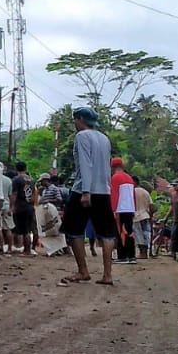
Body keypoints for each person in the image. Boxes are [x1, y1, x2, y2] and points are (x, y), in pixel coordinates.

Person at [59, 106, 118, 286]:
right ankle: (107, 274)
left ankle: (83, 271)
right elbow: (106, 167)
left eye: (75, 120)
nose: (74, 123)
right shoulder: (104, 138)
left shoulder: (82, 136)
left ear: (81, 120)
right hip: (103, 189)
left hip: (83, 189)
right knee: (107, 233)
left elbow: (85, 164)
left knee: (74, 230)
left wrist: (85, 192)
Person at [111, 157, 137, 265]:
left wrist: (113, 208)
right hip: (130, 209)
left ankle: (122, 256)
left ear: (112, 167)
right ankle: (132, 256)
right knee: (129, 232)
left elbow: (114, 194)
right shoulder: (129, 178)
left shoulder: (115, 177)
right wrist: (134, 208)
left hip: (120, 209)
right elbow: (133, 194)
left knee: (121, 232)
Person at [10, 162, 36, 255]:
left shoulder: (16, 180)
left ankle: (27, 250)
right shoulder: (31, 179)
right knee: (28, 230)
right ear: (26, 168)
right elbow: (33, 194)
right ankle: (27, 249)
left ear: (16, 169)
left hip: (20, 206)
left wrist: (12, 206)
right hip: (29, 206)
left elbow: (14, 194)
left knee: (23, 230)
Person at [132, 176, 155, 259]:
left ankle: (142, 253)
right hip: (145, 215)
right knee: (145, 234)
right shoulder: (145, 192)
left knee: (139, 235)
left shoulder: (132, 191)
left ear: (134, 182)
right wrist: (151, 215)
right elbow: (151, 205)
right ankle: (145, 253)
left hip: (136, 216)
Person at [0, 161, 14, 252]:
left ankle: (0, 247)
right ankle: (10, 248)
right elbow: (11, 196)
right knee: (8, 229)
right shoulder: (8, 180)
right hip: (6, 206)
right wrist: (11, 208)